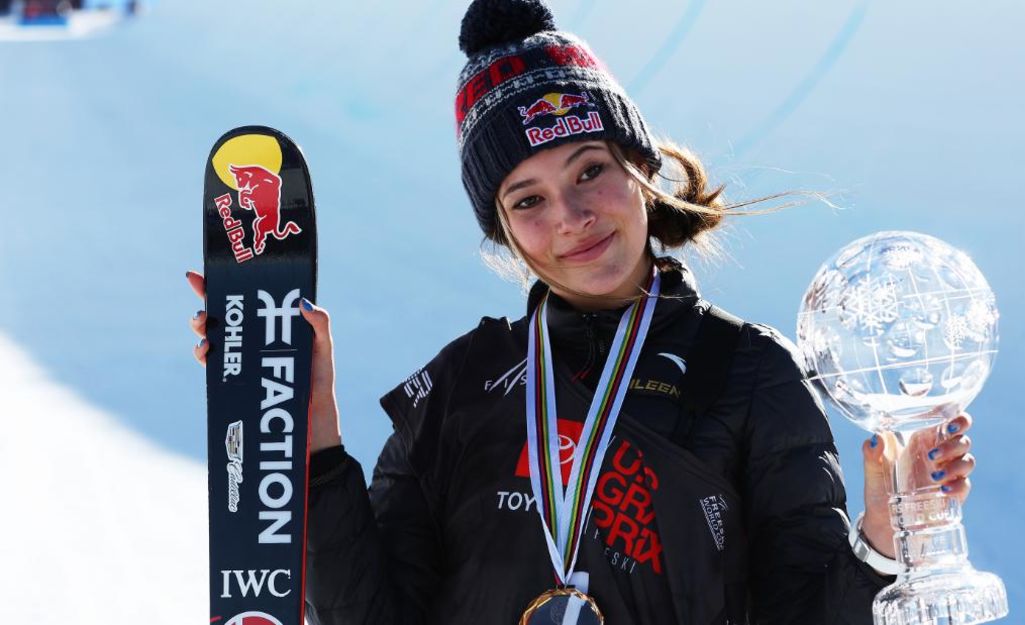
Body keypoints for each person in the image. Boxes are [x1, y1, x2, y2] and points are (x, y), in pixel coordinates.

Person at [187, 1, 979, 623]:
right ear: (501, 231)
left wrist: (884, 532)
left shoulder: (747, 373)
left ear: (641, 166)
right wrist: (314, 438)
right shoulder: (464, 384)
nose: (570, 215)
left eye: (590, 170)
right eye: (526, 199)